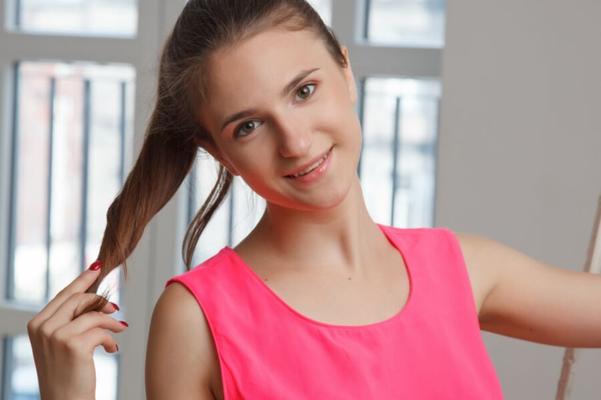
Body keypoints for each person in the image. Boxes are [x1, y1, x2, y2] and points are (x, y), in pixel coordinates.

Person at [26, 1, 601, 399]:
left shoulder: (465, 269)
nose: (296, 142)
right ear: (218, 152)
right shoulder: (197, 320)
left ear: (345, 72)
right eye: (248, 126)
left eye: (305, 91)